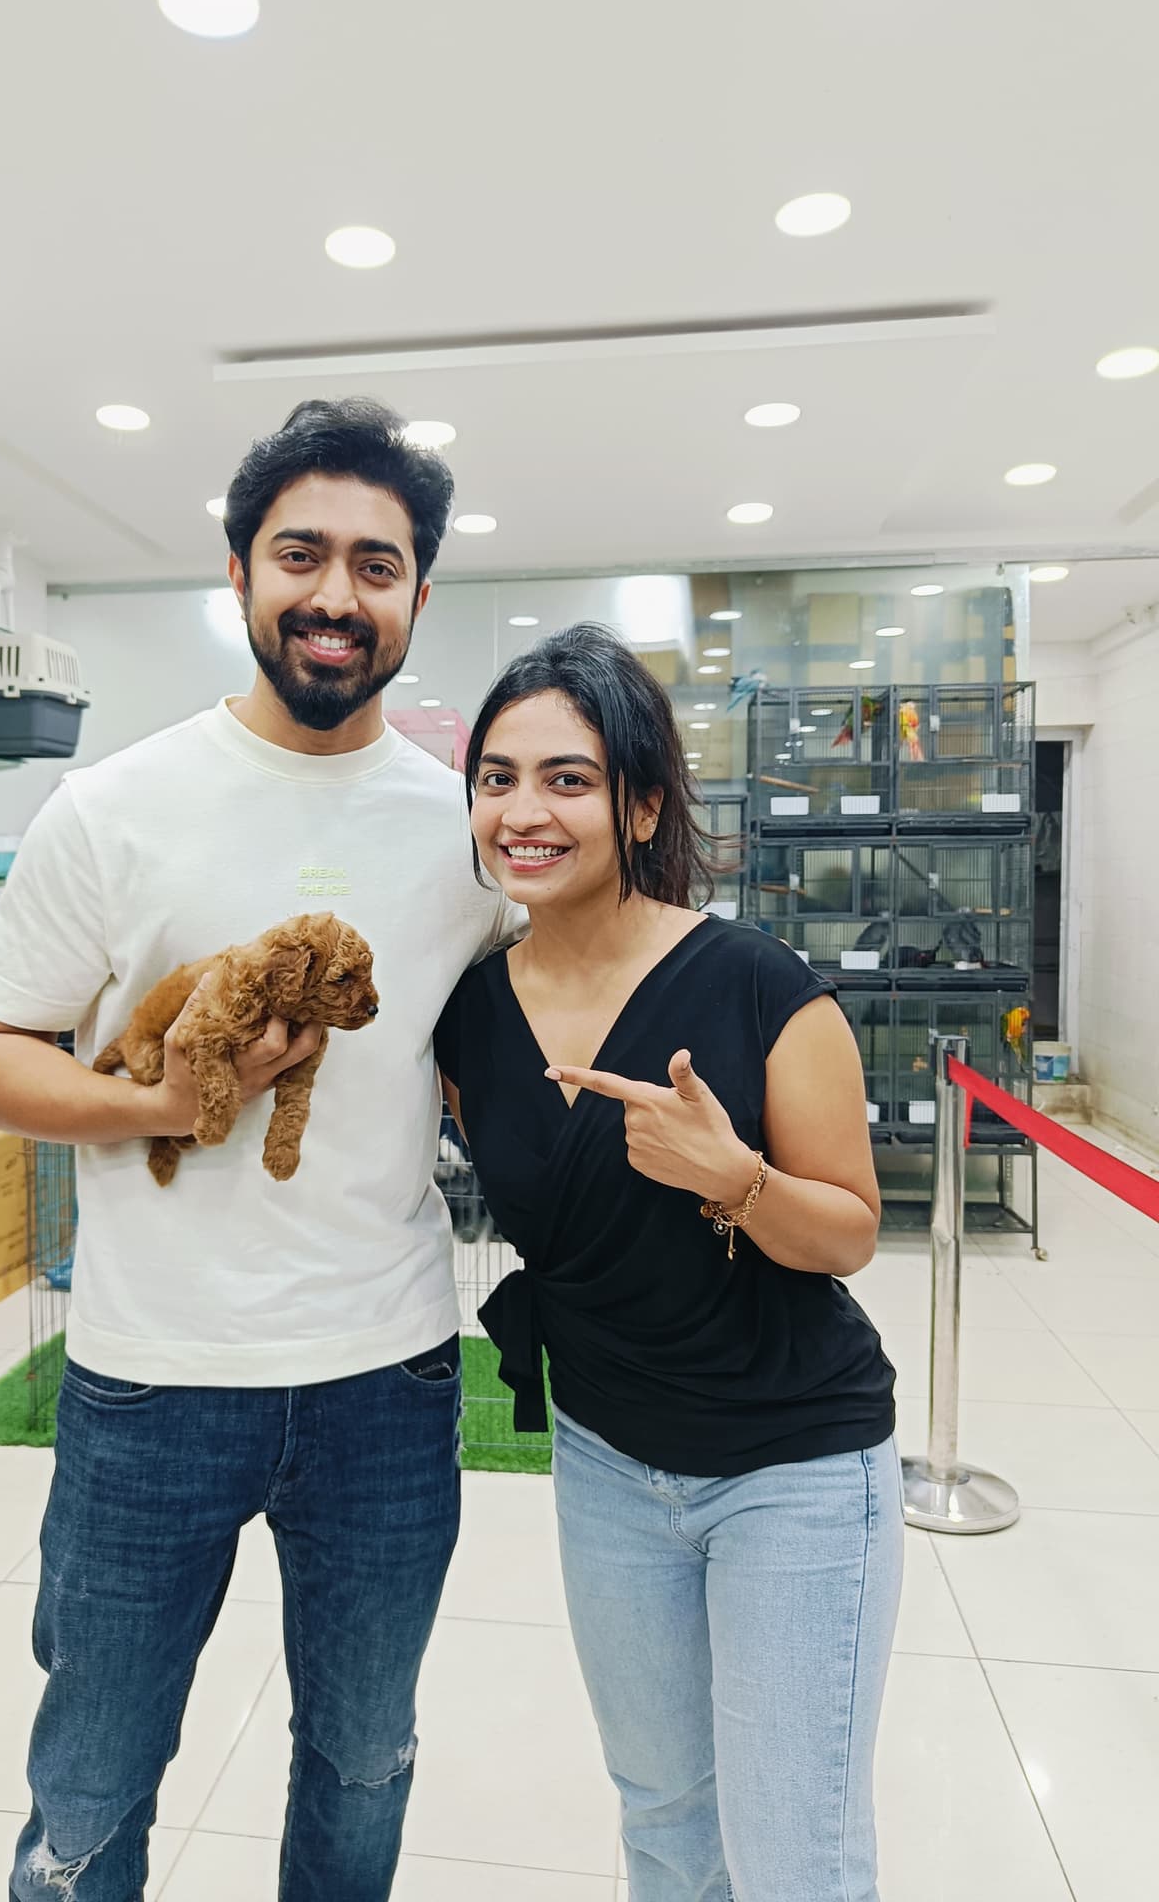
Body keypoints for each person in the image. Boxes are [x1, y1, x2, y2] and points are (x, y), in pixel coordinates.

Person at [0, 398, 517, 1902]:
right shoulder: (112, 807)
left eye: (376, 566)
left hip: (388, 1378)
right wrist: (169, 1107)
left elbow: (500, 1050)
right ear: (240, 574)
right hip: (153, 1379)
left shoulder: (465, 831)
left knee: (363, 1763)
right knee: (90, 1789)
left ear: (418, 596)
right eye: (300, 555)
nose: (336, 596)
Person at [434, 624, 902, 1902]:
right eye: (498, 778)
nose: (524, 811)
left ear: (642, 807)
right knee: (664, 1821)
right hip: (605, 1462)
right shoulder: (471, 1012)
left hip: (793, 1466)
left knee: (794, 1852)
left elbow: (851, 1231)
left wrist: (735, 1179)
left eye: (568, 780)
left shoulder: (758, 986)